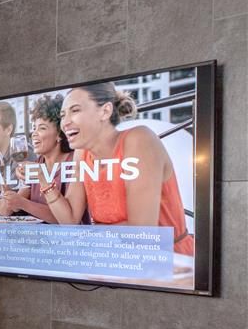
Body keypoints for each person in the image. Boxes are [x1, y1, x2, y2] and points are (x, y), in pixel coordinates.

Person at [36, 82, 194, 254]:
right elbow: (70, 219)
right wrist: (43, 179)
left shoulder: (139, 139)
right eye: (63, 115)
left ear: (105, 111)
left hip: (169, 264)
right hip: (113, 258)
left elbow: (141, 234)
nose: (65, 123)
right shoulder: (82, 153)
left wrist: (85, 236)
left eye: (75, 110)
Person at [0, 93, 75, 223]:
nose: (34, 134)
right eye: (34, 128)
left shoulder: (73, 164)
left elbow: (65, 219)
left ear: (59, 134)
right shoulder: (37, 164)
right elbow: (10, 208)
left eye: (42, 128)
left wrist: (23, 203)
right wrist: (8, 195)